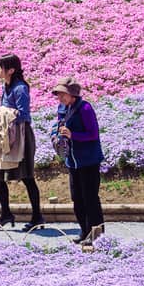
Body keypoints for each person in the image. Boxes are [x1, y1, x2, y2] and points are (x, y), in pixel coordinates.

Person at [0, 54, 45, 232]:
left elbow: (23, 114)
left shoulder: (20, 88)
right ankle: (6, 213)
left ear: (10, 70)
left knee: (27, 177)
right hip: (6, 135)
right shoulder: (6, 86)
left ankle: (37, 217)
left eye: (0, 67)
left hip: (20, 136)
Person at [51, 76, 104, 245]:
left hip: (88, 161)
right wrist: (56, 132)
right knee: (77, 199)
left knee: (90, 199)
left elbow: (93, 134)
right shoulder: (63, 108)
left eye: (62, 94)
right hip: (72, 161)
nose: (59, 98)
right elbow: (59, 124)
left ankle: (97, 235)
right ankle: (84, 231)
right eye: (58, 95)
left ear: (72, 94)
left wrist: (73, 135)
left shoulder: (85, 108)